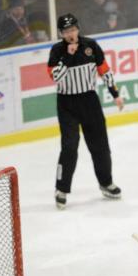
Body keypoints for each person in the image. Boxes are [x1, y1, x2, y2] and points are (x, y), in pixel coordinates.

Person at [48, 13, 124, 209]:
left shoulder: (91, 46)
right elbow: (55, 76)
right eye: (66, 31)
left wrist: (115, 94)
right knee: (69, 147)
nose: (70, 34)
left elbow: (104, 71)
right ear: (61, 34)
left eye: (72, 29)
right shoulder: (57, 51)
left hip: (89, 101)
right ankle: (61, 189)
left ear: (78, 29)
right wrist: (68, 56)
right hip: (67, 104)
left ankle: (106, 182)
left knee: (100, 146)